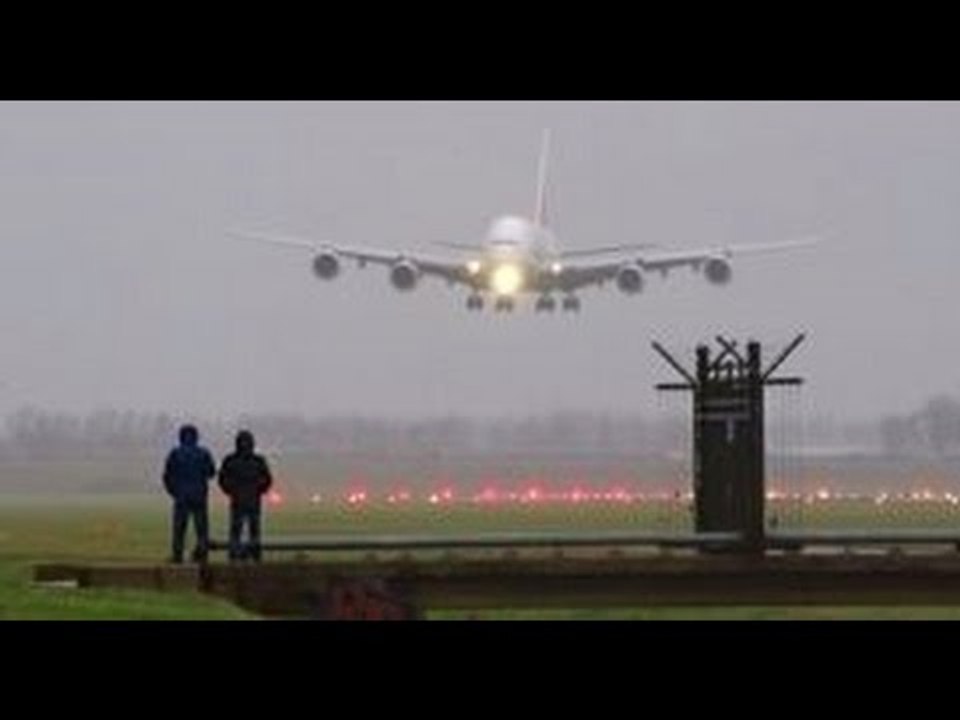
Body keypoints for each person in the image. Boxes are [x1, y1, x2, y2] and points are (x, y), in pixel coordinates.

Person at [162, 424, 217, 564]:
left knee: (179, 529)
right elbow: (211, 472)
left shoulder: (175, 453)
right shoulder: (204, 453)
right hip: (199, 495)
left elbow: (167, 476)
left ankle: (177, 556)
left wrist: (174, 491)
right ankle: (202, 555)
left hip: (181, 496)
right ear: (196, 437)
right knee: (201, 530)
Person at [218, 430, 273, 562]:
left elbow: (222, 479)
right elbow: (267, 479)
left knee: (236, 531)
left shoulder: (230, 460)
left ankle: (234, 556)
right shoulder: (258, 460)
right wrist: (259, 490)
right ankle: (255, 556)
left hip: (238, 500)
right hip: (253, 500)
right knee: (253, 531)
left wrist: (231, 491)